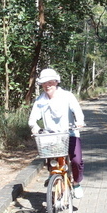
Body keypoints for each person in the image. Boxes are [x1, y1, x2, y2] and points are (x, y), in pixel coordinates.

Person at [28, 68, 86, 198]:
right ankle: (53, 175)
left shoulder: (67, 96)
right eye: (44, 83)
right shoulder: (40, 101)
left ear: (56, 82)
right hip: (51, 137)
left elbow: (77, 110)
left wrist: (79, 121)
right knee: (52, 160)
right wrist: (35, 127)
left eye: (50, 82)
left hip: (69, 133)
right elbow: (32, 119)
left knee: (76, 161)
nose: (47, 85)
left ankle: (76, 182)